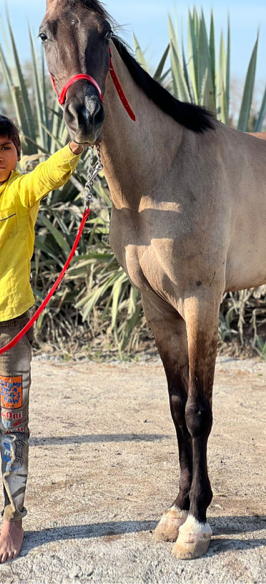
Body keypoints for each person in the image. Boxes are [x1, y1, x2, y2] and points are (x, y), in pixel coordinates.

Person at [0, 115, 84, 562]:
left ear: (16, 152)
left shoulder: (21, 191)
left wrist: (76, 145)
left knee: (12, 425)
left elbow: (49, 174)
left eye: (5, 147)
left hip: (10, 327)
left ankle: (12, 516)